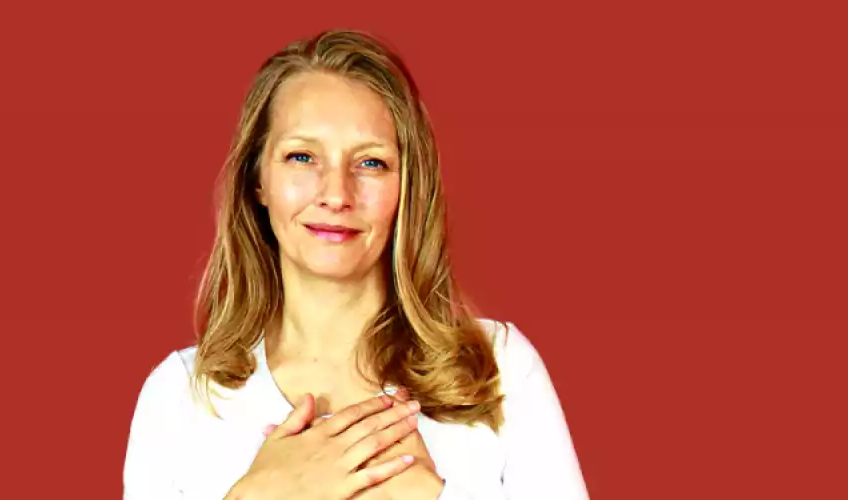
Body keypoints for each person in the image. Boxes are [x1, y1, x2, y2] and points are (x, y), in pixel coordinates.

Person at [122, 29, 589, 500]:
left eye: (370, 163)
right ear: (257, 180)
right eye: (301, 157)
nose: (336, 195)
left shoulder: (500, 369)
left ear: (407, 186)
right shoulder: (178, 398)